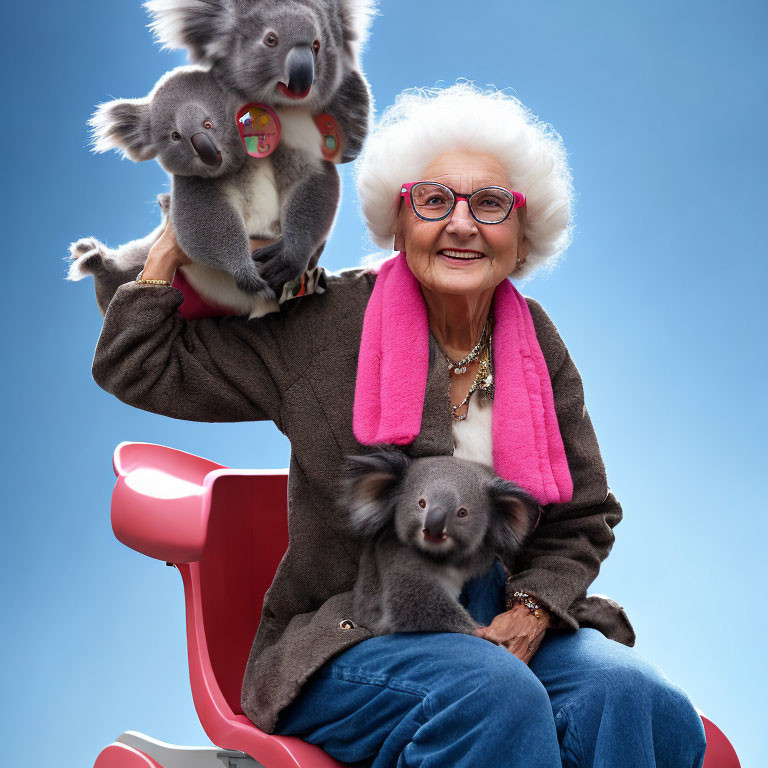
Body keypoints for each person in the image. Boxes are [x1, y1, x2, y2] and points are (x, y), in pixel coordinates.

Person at [90, 83, 706, 766]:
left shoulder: (537, 345)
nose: (462, 226)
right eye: (434, 201)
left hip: (497, 619)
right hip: (356, 633)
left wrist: (531, 613)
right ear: (399, 218)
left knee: (638, 697)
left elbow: (580, 517)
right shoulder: (327, 326)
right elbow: (137, 366)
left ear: (522, 232)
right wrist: (172, 246)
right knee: (492, 697)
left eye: (491, 204)